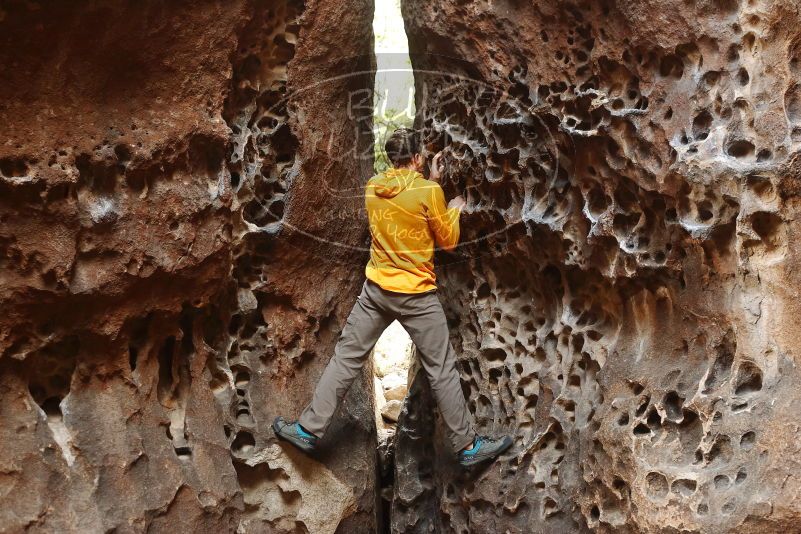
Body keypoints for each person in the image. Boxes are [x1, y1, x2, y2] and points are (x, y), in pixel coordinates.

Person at [273, 127, 512, 467]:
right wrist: (453, 206)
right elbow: (447, 241)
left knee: (346, 359)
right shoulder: (429, 191)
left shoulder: (373, 188)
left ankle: (307, 431)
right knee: (441, 370)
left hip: (376, 293)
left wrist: (428, 183)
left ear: (390, 157)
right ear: (417, 157)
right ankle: (468, 447)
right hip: (417, 296)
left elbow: (404, 203)